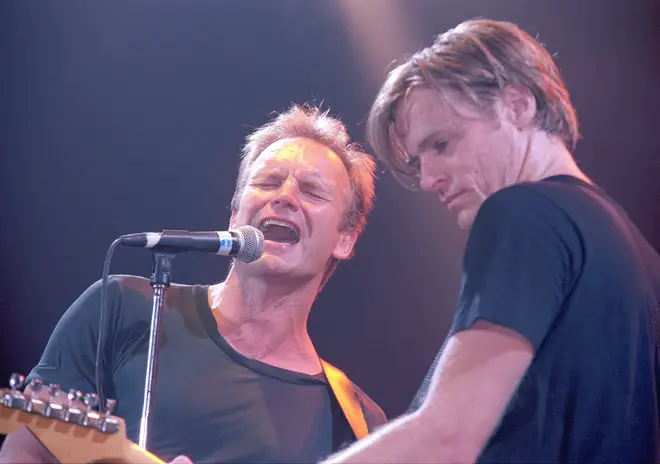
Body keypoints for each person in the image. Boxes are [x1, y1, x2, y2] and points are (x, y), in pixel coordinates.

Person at [323, 18, 660, 464]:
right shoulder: (639, 254)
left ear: (518, 104)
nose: (427, 179)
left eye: (441, 144)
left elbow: (448, 437)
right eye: (418, 160)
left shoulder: (524, 212)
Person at [0, 104, 386, 464]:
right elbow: (26, 449)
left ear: (346, 238)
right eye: (267, 182)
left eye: (312, 191)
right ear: (235, 214)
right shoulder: (124, 308)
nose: (285, 197)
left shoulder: (358, 422)